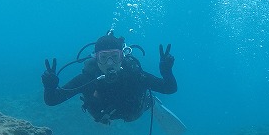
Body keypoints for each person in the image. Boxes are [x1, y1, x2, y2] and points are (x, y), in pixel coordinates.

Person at [41, 31, 177, 125]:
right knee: (98, 115)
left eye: (115, 56)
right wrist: (49, 86)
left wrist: (167, 72)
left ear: (122, 57)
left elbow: (169, 88)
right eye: (104, 57)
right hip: (100, 115)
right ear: (96, 58)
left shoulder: (135, 75)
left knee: (138, 110)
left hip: (133, 112)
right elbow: (52, 100)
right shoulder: (86, 79)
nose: (110, 63)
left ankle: (151, 101)